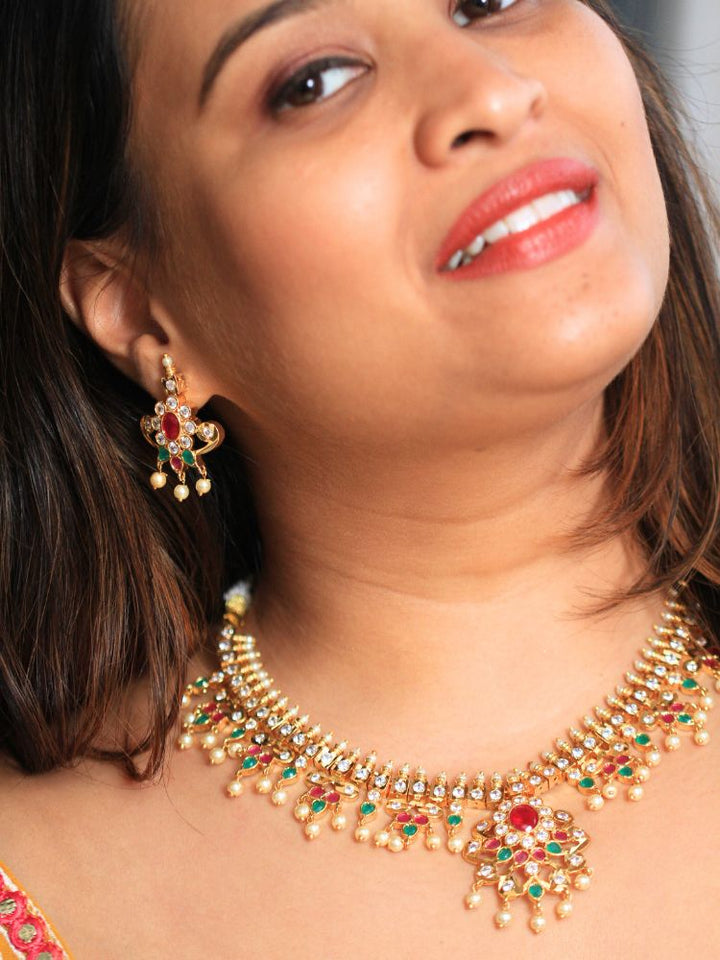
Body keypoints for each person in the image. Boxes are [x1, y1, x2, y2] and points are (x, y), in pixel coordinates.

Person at [2, 0, 720, 956]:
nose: (491, 92)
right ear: (140, 308)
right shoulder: (38, 881)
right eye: (315, 83)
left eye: (489, 1)